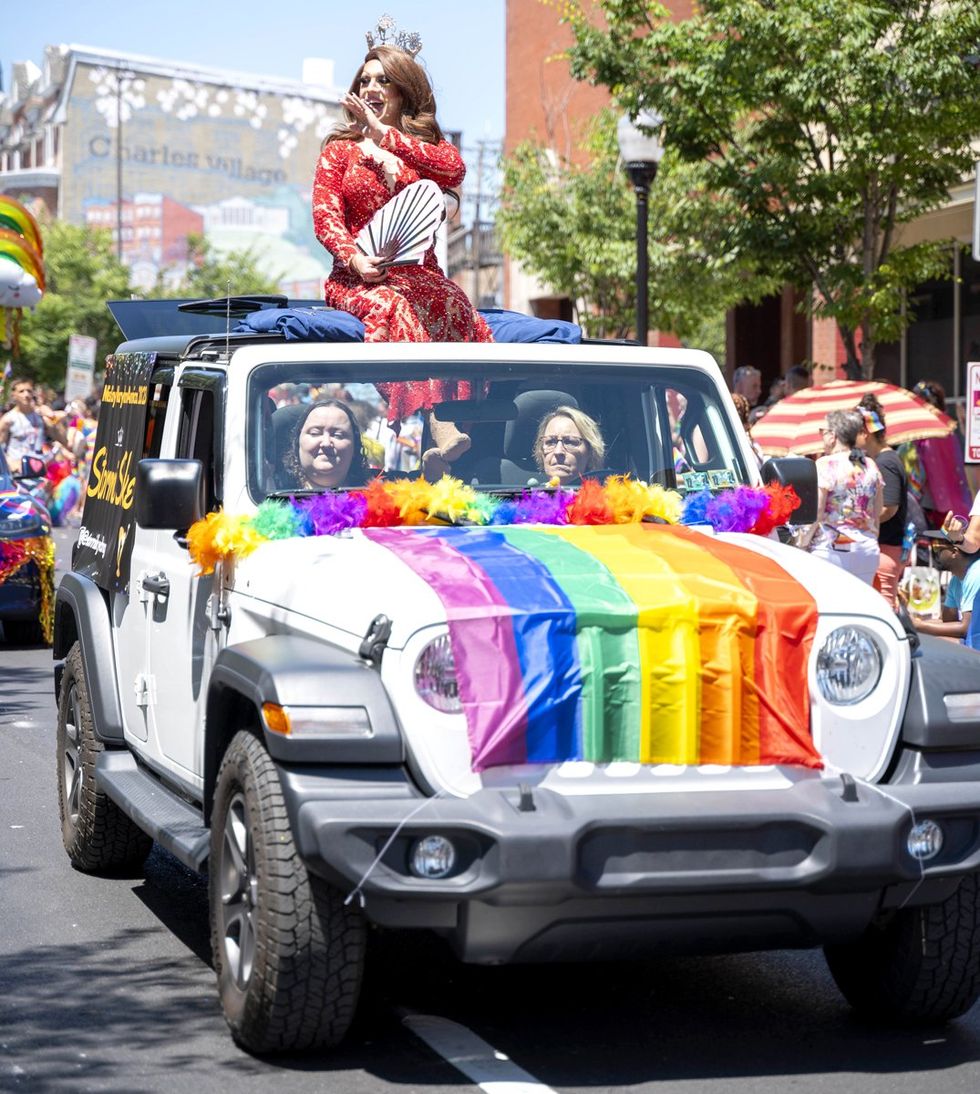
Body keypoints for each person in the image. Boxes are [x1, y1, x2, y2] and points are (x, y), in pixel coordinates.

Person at [311, 38, 493, 477]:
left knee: (456, 305)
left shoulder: (426, 149)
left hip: (419, 273)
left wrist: (385, 140)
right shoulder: (339, 150)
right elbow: (324, 213)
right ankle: (436, 422)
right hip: (359, 278)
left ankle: (449, 443)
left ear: (403, 91)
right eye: (365, 79)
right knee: (394, 307)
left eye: (383, 80)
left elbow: (454, 172)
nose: (371, 87)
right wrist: (354, 258)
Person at [803, 409, 883, 584]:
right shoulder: (870, 465)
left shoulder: (825, 464)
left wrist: (802, 543)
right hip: (867, 550)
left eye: (822, 432)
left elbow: (816, 512)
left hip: (832, 549)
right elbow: (877, 514)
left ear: (833, 435)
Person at [858, 394, 908, 608]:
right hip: (883, 551)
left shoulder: (885, 462)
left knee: (885, 613)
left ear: (866, 432)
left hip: (884, 551)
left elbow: (889, 508)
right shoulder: (883, 460)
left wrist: (860, 523)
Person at [910, 534, 980, 650]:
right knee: (925, 640)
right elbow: (947, 622)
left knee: (932, 645)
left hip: (976, 644)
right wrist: (912, 623)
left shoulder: (976, 573)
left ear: (954, 552)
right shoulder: (955, 580)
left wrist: (918, 626)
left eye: (937, 547)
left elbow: (965, 628)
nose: (934, 552)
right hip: (973, 640)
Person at [282, 399, 372, 490]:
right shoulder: (274, 490)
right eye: (315, 433)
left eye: (338, 435)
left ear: (354, 447)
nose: (326, 443)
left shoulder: (380, 494)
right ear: (298, 442)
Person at [0, 377, 68, 472]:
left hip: (39, 472)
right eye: (21, 391)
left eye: (29, 391)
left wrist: (53, 418)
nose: (26, 394)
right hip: (17, 474)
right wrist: (11, 464)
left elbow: (64, 440)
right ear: (13, 395)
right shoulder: (8, 419)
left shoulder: (40, 417)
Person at [532, 407, 605, 484]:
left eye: (570, 442)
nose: (558, 452)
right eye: (550, 442)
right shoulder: (525, 494)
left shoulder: (609, 496)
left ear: (591, 453)